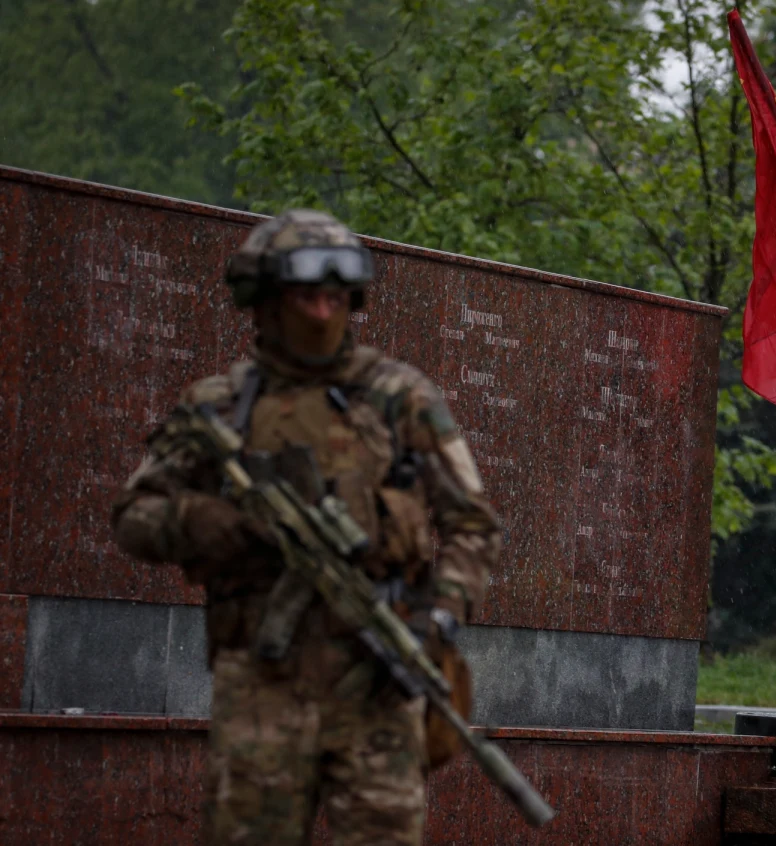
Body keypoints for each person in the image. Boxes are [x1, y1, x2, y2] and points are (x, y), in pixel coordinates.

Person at [112, 209, 500, 844]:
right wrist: (217, 523)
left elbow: (472, 525)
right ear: (263, 302)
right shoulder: (220, 407)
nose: (322, 313)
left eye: (334, 296)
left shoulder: (400, 398)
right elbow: (134, 517)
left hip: (377, 679)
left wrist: (442, 616)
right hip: (263, 690)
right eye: (304, 296)